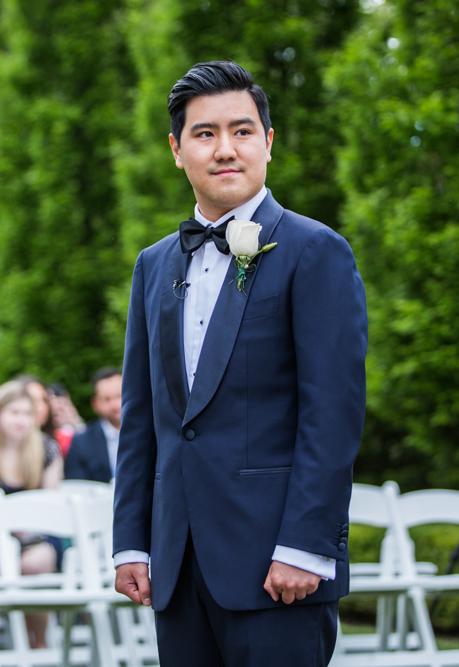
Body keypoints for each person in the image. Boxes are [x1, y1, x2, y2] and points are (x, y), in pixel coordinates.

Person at [112, 61, 368, 667]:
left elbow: (332, 416)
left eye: (242, 130)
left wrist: (306, 546)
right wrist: (131, 543)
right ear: (177, 150)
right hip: (176, 566)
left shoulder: (316, 250)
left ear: (268, 142)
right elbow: (142, 413)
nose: (225, 148)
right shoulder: (153, 265)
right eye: (204, 133)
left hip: (279, 567)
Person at [0, 380, 64, 649]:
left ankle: (39, 642)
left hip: (39, 536)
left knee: (33, 565)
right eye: (14, 413)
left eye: (27, 413)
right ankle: (11, 645)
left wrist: (27, 524)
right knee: (0, 561)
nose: (21, 420)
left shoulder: (47, 449)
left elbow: (51, 505)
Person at [65, 367, 121, 483]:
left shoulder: (151, 434)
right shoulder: (81, 443)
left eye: (120, 396)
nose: (115, 404)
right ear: (96, 403)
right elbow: (77, 485)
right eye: (107, 399)